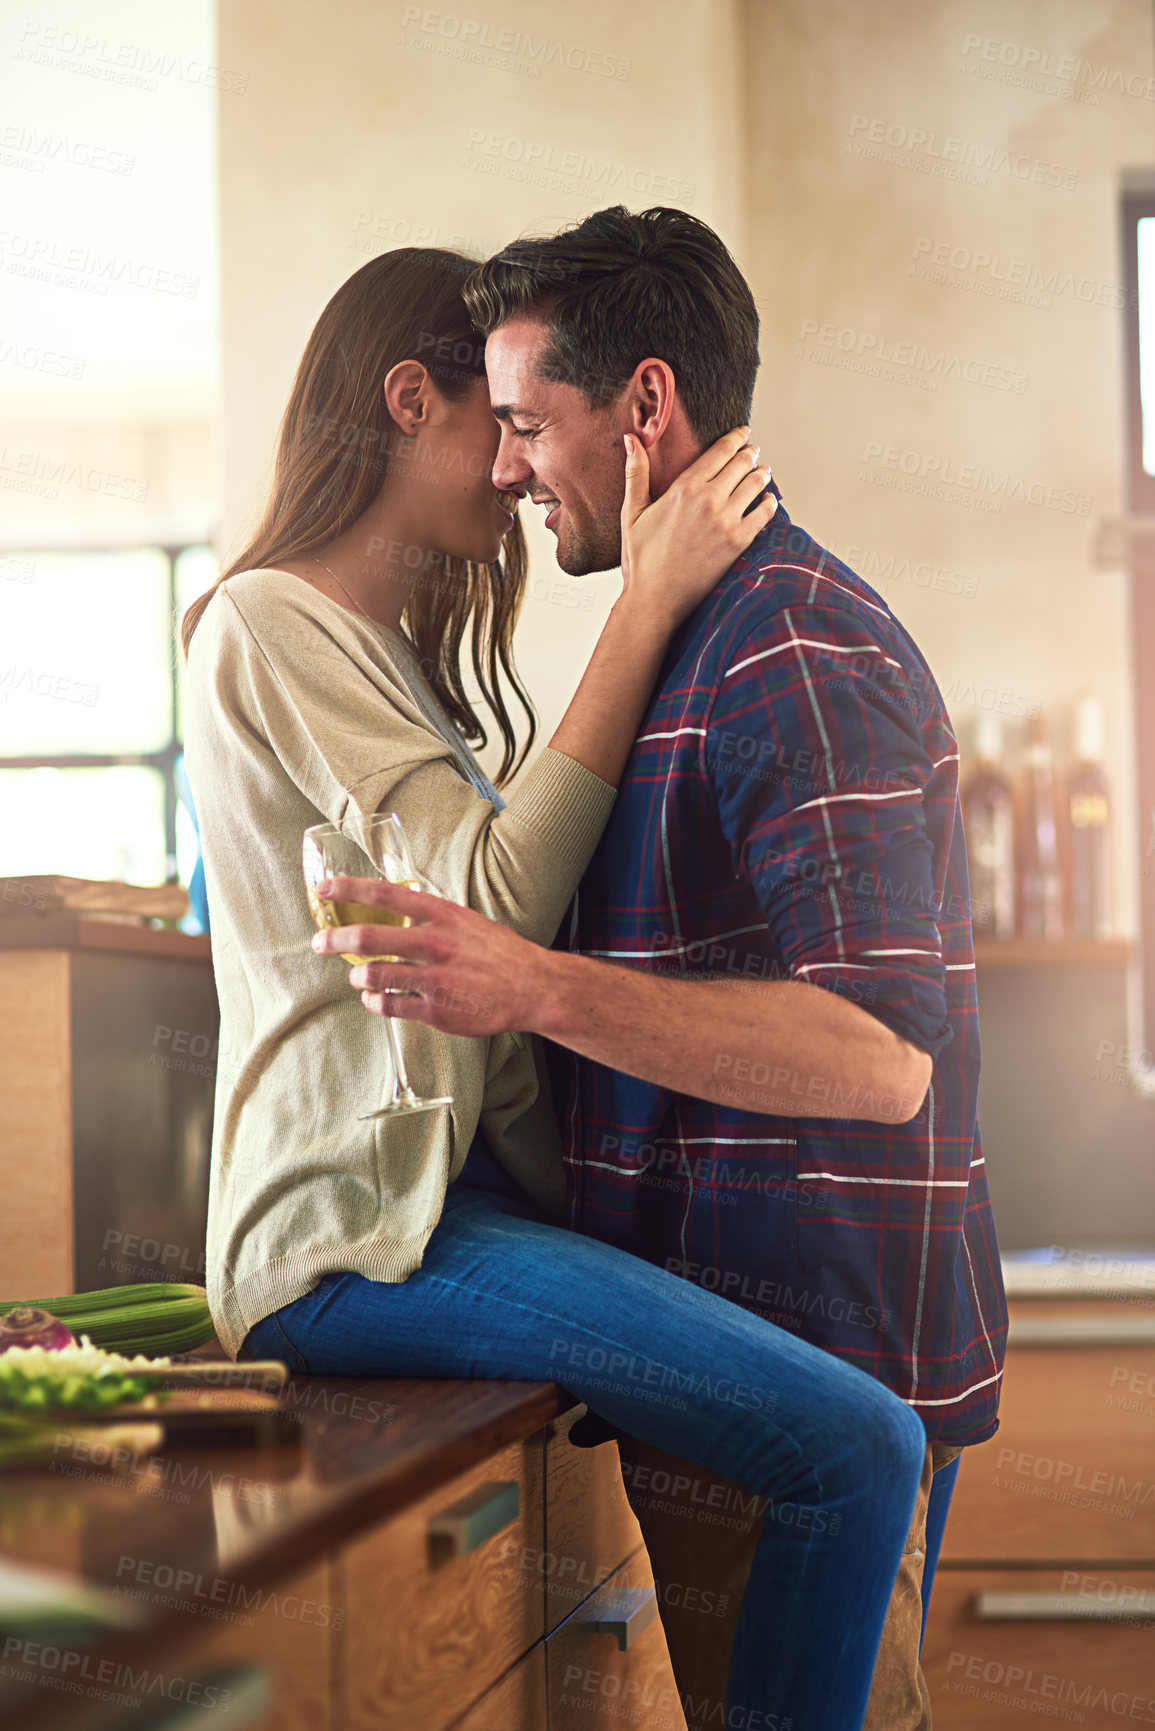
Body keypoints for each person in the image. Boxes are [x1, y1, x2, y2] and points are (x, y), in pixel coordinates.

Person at [181, 245, 927, 1731]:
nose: (523, 471)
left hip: (465, 1221)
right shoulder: (264, 625)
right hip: (354, 1240)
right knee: (855, 1451)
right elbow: (499, 905)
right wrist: (642, 602)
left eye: (540, 429)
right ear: (408, 401)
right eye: (501, 424)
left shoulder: (388, 651)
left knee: (847, 1451)